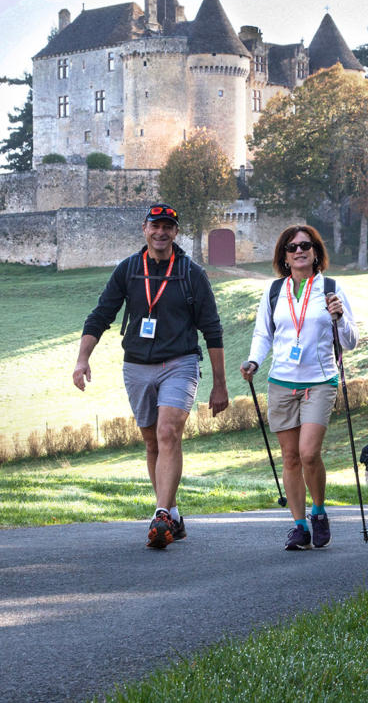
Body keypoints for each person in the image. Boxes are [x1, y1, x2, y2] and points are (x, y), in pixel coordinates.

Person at [73, 203, 229, 549]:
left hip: (180, 363)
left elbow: (212, 330)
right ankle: (172, 515)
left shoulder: (191, 273)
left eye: (168, 227)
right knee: (151, 441)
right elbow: (101, 315)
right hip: (136, 366)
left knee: (168, 432)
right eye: (155, 226)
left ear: (176, 232)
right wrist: (82, 359)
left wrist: (219, 384)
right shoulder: (128, 269)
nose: (161, 232)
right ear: (144, 229)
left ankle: (159, 514)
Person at [240, 224, 358, 551]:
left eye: (306, 245)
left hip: (320, 382)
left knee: (308, 453)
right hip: (280, 382)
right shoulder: (274, 291)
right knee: (290, 457)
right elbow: (263, 334)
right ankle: (299, 526)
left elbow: (350, 341)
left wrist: (340, 317)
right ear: (285, 256)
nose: (299, 251)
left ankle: (318, 511)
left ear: (316, 252)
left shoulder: (331, 288)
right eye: (292, 247)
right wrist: (253, 361)